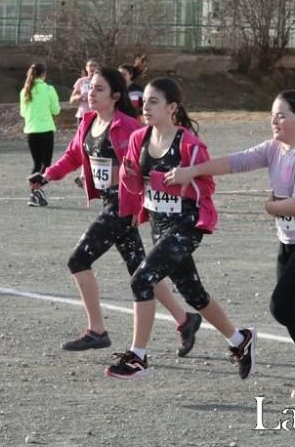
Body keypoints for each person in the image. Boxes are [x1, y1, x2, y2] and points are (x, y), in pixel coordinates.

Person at [166, 90, 295, 400]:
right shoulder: (274, 148)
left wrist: (270, 207)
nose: (274, 120)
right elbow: (237, 162)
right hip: (290, 242)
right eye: (273, 114)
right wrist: (193, 171)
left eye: (282, 115)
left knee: (281, 307)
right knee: (294, 311)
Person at [38, 68, 202, 355]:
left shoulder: (127, 126)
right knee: (141, 270)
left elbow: (142, 162)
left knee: (78, 260)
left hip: (123, 206)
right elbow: (74, 155)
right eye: (91, 88)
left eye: (99, 89)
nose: (92, 93)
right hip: (109, 202)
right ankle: (185, 319)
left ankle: (97, 330)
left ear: (115, 96)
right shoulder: (88, 122)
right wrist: (47, 176)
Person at [106, 77, 256, 380]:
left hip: (187, 224)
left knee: (142, 280)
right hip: (160, 224)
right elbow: (133, 181)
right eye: (144, 101)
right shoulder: (140, 139)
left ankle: (138, 356)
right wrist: (129, 183)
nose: (145, 107)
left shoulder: (189, 144)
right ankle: (240, 340)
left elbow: (206, 186)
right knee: (194, 294)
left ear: (172, 107)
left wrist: (177, 180)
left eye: (154, 102)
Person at [20, 62, 60, 207]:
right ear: (43, 74)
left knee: (37, 163)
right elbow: (56, 110)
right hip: (45, 130)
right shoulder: (49, 89)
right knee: (46, 164)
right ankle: (36, 191)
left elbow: (23, 113)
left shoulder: (25, 91)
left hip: (31, 130)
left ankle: (34, 192)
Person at [69, 59, 100, 187]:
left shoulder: (100, 82)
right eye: (90, 66)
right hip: (83, 116)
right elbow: (71, 99)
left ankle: (89, 175)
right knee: (83, 145)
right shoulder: (81, 82)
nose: (92, 68)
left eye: (94, 65)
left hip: (98, 116)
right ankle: (84, 175)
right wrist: (79, 97)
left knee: (96, 146)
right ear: (86, 68)